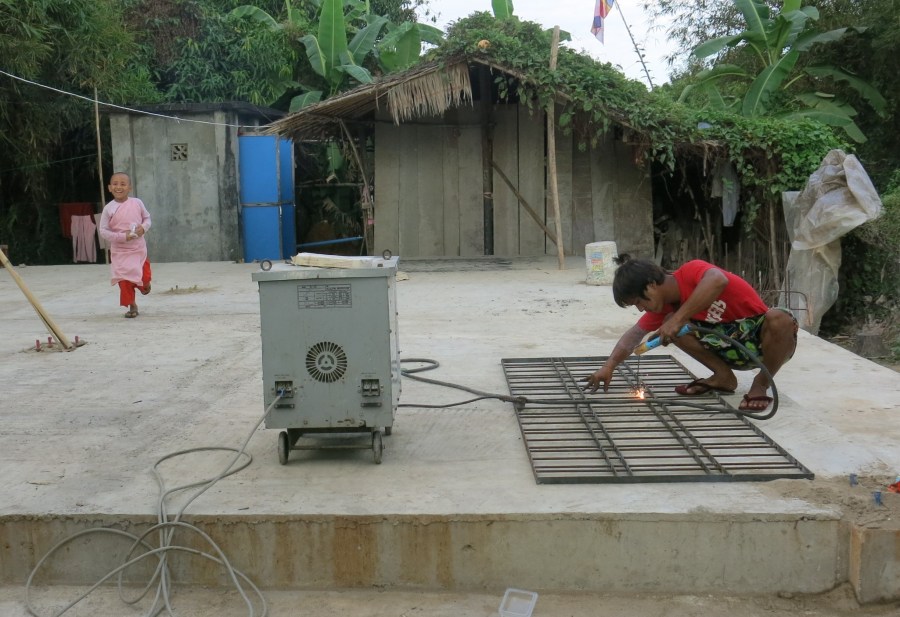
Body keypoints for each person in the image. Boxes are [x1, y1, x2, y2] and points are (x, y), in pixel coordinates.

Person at [583, 254, 798, 412]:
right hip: (730, 350)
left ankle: (760, 383)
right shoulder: (663, 308)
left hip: (763, 345)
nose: (640, 309)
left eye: (639, 301)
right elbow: (634, 335)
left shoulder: (690, 271)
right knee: (669, 324)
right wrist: (609, 366)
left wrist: (678, 319)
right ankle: (723, 377)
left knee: (781, 318)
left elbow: (718, 280)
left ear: (651, 285)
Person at [99, 172, 152, 318]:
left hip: (138, 249)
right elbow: (103, 231)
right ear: (109, 188)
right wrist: (123, 237)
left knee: (144, 276)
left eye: (123, 184)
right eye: (115, 184)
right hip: (120, 252)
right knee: (124, 281)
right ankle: (132, 305)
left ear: (130, 187)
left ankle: (145, 284)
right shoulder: (109, 208)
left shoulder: (137, 203)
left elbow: (147, 218)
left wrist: (143, 228)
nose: (119, 187)